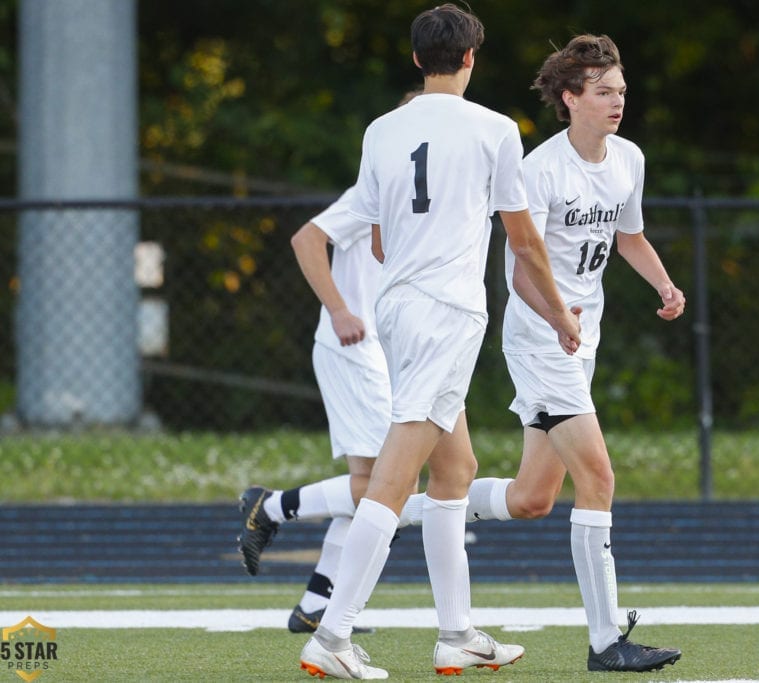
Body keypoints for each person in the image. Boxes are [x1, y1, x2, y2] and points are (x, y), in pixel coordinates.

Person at [297, 5, 581, 679]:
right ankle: (330, 634)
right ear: (472, 58)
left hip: (397, 309)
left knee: (454, 468)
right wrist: (562, 315)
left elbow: (374, 232)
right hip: (447, 312)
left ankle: (455, 632)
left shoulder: (380, 129)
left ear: (418, 59)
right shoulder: (494, 129)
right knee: (395, 478)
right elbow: (522, 238)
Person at [403, 33, 686, 673]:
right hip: (541, 340)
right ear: (570, 98)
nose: (617, 102)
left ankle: (403, 509)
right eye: (604, 92)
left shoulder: (628, 159)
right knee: (599, 479)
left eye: (621, 92)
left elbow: (629, 237)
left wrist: (664, 284)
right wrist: (557, 319)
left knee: (533, 498)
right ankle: (606, 640)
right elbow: (519, 270)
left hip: (581, 340)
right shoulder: (541, 168)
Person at [236, 91, 423, 637]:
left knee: (369, 485)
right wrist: (339, 309)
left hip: (382, 352)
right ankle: (270, 507)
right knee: (386, 486)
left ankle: (317, 602)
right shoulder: (375, 189)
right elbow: (306, 238)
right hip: (354, 347)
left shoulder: (424, 192)